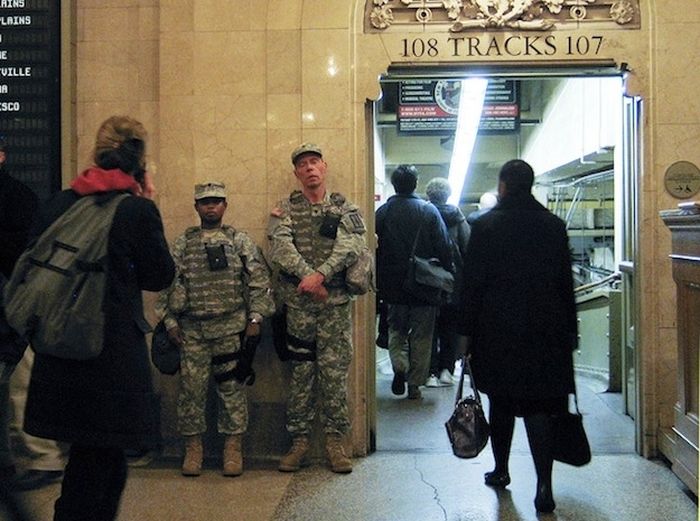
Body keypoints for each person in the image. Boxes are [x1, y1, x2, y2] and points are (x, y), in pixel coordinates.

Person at [21, 116, 175, 521]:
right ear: (140, 160)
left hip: (57, 352)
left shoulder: (60, 202)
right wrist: (149, 201)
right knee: (99, 468)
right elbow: (160, 275)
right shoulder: (136, 210)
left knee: (91, 463)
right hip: (108, 359)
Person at [460, 159, 578, 514]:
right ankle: (544, 486)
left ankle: (501, 470)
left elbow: (472, 286)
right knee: (541, 406)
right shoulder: (554, 226)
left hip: (497, 331)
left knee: (502, 402)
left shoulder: (484, 226)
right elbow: (565, 284)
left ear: (503, 186)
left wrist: (464, 333)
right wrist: (571, 332)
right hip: (546, 331)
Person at [156, 181, 274, 478]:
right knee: (190, 393)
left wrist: (256, 319)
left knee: (231, 391)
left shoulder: (239, 241)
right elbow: (166, 284)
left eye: (217, 201)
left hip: (230, 330)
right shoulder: (183, 243)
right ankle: (193, 449)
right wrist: (170, 322)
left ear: (225, 205)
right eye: (205, 202)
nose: (211, 206)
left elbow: (259, 280)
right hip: (191, 331)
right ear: (196, 206)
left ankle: (232, 449)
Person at [268, 143, 367, 474]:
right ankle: (298, 442)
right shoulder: (286, 209)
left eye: (314, 162)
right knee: (301, 374)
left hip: (334, 306)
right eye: (303, 165)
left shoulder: (344, 209)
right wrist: (308, 278)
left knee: (334, 374)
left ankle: (335, 443)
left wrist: (321, 274)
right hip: (299, 306)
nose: (309, 168)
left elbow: (352, 245)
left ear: (324, 167)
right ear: (296, 173)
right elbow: (280, 247)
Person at [0, 135, 68, 491]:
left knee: (21, 381)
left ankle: (43, 456)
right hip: (15, 301)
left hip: (15, 305)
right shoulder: (21, 196)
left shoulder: (17, 197)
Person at [375, 165, 453, 400]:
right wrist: (447, 273)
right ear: (415, 183)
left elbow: (373, 248)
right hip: (423, 284)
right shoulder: (428, 211)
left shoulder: (383, 212)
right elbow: (444, 246)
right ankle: (415, 385)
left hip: (393, 286)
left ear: (394, 184)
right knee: (422, 336)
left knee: (396, 330)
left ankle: (399, 365)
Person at [423, 177, 470, 388]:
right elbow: (468, 247)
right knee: (450, 326)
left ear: (429, 195)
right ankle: (446, 371)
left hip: (428, 278)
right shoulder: (458, 217)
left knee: (429, 328)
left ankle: (430, 372)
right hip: (453, 280)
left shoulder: (423, 214)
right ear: (448, 194)